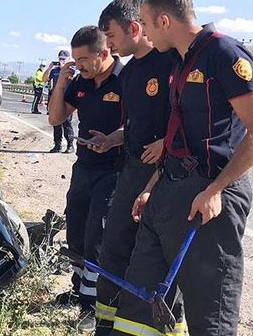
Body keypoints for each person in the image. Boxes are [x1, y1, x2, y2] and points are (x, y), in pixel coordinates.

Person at [110, 1, 253, 335]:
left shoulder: (224, 53)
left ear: (163, 20)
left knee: (210, 316)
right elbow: (178, 136)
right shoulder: (179, 61)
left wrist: (216, 189)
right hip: (168, 191)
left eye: (145, 23)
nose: (142, 31)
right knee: (139, 304)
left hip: (209, 197)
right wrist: (151, 188)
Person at [91, 1, 187, 335]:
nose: (108, 45)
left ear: (135, 28)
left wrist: (166, 143)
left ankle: (167, 325)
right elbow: (134, 126)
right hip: (131, 171)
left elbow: (185, 116)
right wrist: (112, 139)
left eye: (112, 35)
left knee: (158, 257)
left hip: (167, 175)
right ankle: (108, 321)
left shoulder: (172, 61)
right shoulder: (129, 72)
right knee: (116, 244)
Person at [47, 26, 123, 333]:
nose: (79, 65)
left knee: (97, 236)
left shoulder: (127, 80)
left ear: (103, 53)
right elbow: (55, 118)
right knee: (76, 231)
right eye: (75, 60)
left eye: (83, 59)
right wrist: (62, 82)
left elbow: (141, 126)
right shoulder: (80, 81)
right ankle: (80, 291)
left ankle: (95, 306)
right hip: (84, 167)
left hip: (114, 170)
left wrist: (112, 140)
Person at [43, 50, 76, 153]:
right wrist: (49, 68)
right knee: (56, 122)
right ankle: (57, 145)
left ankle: (70, 145)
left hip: (67, 99)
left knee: (66, 123)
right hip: (55, 99)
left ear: (68, 59)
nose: (61, 60)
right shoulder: (54, 70)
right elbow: (44, 79)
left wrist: (64, 69)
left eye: (63, 59)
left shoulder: (71, 70)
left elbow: (73, 79)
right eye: (60, 58)